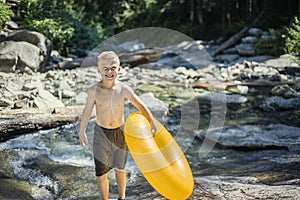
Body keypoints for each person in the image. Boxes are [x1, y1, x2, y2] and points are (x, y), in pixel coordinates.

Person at [79, 51, 157, 200]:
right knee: (101, 173)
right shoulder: (93, 91)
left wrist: (152, 122)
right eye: (105, 68)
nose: (109, 72)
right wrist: (81, 131)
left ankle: (122, 197)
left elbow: (141, 105)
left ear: (119, 69)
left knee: (120, 169)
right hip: (101, 134)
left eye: (113, 68)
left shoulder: (123, 89)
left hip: (120, 133)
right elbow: (87, 111)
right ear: (99, 70)